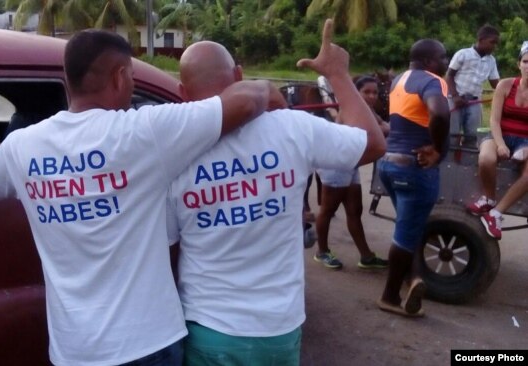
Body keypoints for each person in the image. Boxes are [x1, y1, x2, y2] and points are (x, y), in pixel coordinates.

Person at [0, 30, 287, 366]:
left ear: (69, 79)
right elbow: (248, 100)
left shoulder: (21, 147)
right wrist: (271, 96)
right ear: (121, 77)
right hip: (148, 344)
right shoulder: (144, 131)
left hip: (74, 351)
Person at [166, 19, 386, 365]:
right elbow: (373, 143)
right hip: (279, 328)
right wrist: (339, 75)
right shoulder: (291, 128)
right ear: (239, 76)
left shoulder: (170, 151)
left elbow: (169, 249)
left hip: (209, 327)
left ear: (182, 92)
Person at [377, 39, 450, 317]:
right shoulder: (433, 80)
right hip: (415, 167)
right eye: (443, 57)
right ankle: (389, 296)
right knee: (407, 233)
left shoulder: (399, 79)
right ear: (431, 61)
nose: (446, 63)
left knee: (410, 226)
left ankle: (414, 277)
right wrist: (438, 149)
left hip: (388, 165)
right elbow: (440, 114)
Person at [313, 75, 390, 270]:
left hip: (351, 163)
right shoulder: (352, 110)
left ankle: (366, 256)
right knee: (328, 210)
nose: (372, 96)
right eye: (367, 92)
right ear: (357, 93)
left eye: (375, 92)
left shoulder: (368, 110)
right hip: (336, 163)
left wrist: (384, 127)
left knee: (355, 211)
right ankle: (321, 252)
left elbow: (383, 127)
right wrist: (384, 128)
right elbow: (376, 132)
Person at [466, 41, 528, 240]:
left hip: (525, 141)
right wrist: (500, 144)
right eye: (526, 61)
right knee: (486, 158)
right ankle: (489, 199)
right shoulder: (505, 85)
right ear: (519, 64)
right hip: (499, 133)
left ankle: (496, 213)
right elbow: (494, 119)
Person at [446, 25, 500, 146]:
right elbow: (449, 76)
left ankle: (467, 163)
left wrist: (513, 87)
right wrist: (455, 96)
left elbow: (495, 83)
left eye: (496, 44)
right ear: (481, 40)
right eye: (492, 42)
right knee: (452, 134)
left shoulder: (491, 60)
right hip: (455, 100)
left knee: (473, 135)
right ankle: (448, 162)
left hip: (474, 102)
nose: (494, 46)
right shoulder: (463, 54)